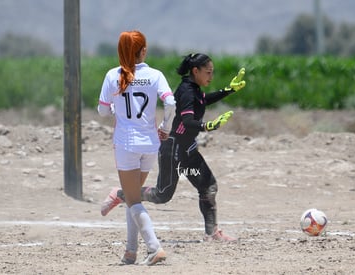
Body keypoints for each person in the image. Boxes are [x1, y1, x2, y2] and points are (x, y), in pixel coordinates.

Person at [102, 53, 246, 242]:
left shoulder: (193, 88)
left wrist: (228, 90)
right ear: (196, 71)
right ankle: (120, 193)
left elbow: (203, 100)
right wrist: (207, 126)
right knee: (162, 195)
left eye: (213, 72)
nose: (211, 76)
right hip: (174, 149)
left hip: (187, 149)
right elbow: (187, 121)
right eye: (208, 72)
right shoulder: (187, 91)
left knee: (208, 185)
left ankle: (212, 233)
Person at [98, 30, 175, 265]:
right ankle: (130, 252)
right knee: (133, 198)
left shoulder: (113, 75)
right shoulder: (155, 75)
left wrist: (115, 110)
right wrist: (166, 126)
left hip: (126, 144)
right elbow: (170, 101)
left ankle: (154, 248)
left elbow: (102, 110)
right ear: (142, 51)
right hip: (151, 144)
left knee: (132, 200)